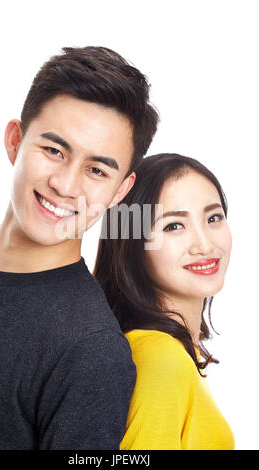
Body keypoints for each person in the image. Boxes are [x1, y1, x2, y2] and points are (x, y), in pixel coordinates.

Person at [0, 46, 159, 450]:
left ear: (120, 191)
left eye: (96, 170)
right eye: (54, 150)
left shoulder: (91, 352)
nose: (65, 186)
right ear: (15, 141)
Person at [94, 153, 235, 450]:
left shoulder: (173, 350)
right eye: (173, 226)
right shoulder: (161, 360)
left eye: (213, 218)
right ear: (132, 245)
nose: (205, 245)